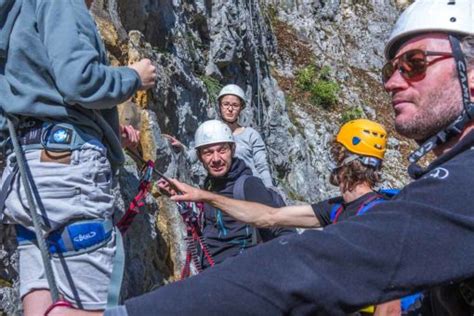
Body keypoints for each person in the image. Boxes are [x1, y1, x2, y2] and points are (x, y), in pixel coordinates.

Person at [54, 0, 474, 315]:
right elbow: (269, 217)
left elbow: (312, 261)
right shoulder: (342, 208)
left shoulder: (456, 190)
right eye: (389, 70)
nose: (392, 82)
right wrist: (204, 195)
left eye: (416, 64)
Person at [0, 0, 156, 315]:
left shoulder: (13, 14)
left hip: (27, 174)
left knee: (43, 308)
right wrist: (133, 78)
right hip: (70, 174)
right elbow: (78, 80)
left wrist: (108, 131)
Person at [158, 120, 294, 270]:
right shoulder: (210, 185)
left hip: (242, 273)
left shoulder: (249, 185)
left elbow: (282, 231)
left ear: (233, 150)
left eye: (222, 150)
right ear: (199, 156)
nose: (216, 159)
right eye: (208, 152)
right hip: (212, 273)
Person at [164, 84, 274, 187]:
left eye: (235, 105)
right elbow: (192, 157)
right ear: (220, 106)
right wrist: (181, 147)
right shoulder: (212, 131)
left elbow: (262, 167)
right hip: (223, 189)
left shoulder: (251, 134)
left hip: (250, 186)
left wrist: (269, 190)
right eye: (226, 104)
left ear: (241, 108)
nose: (230, 109)